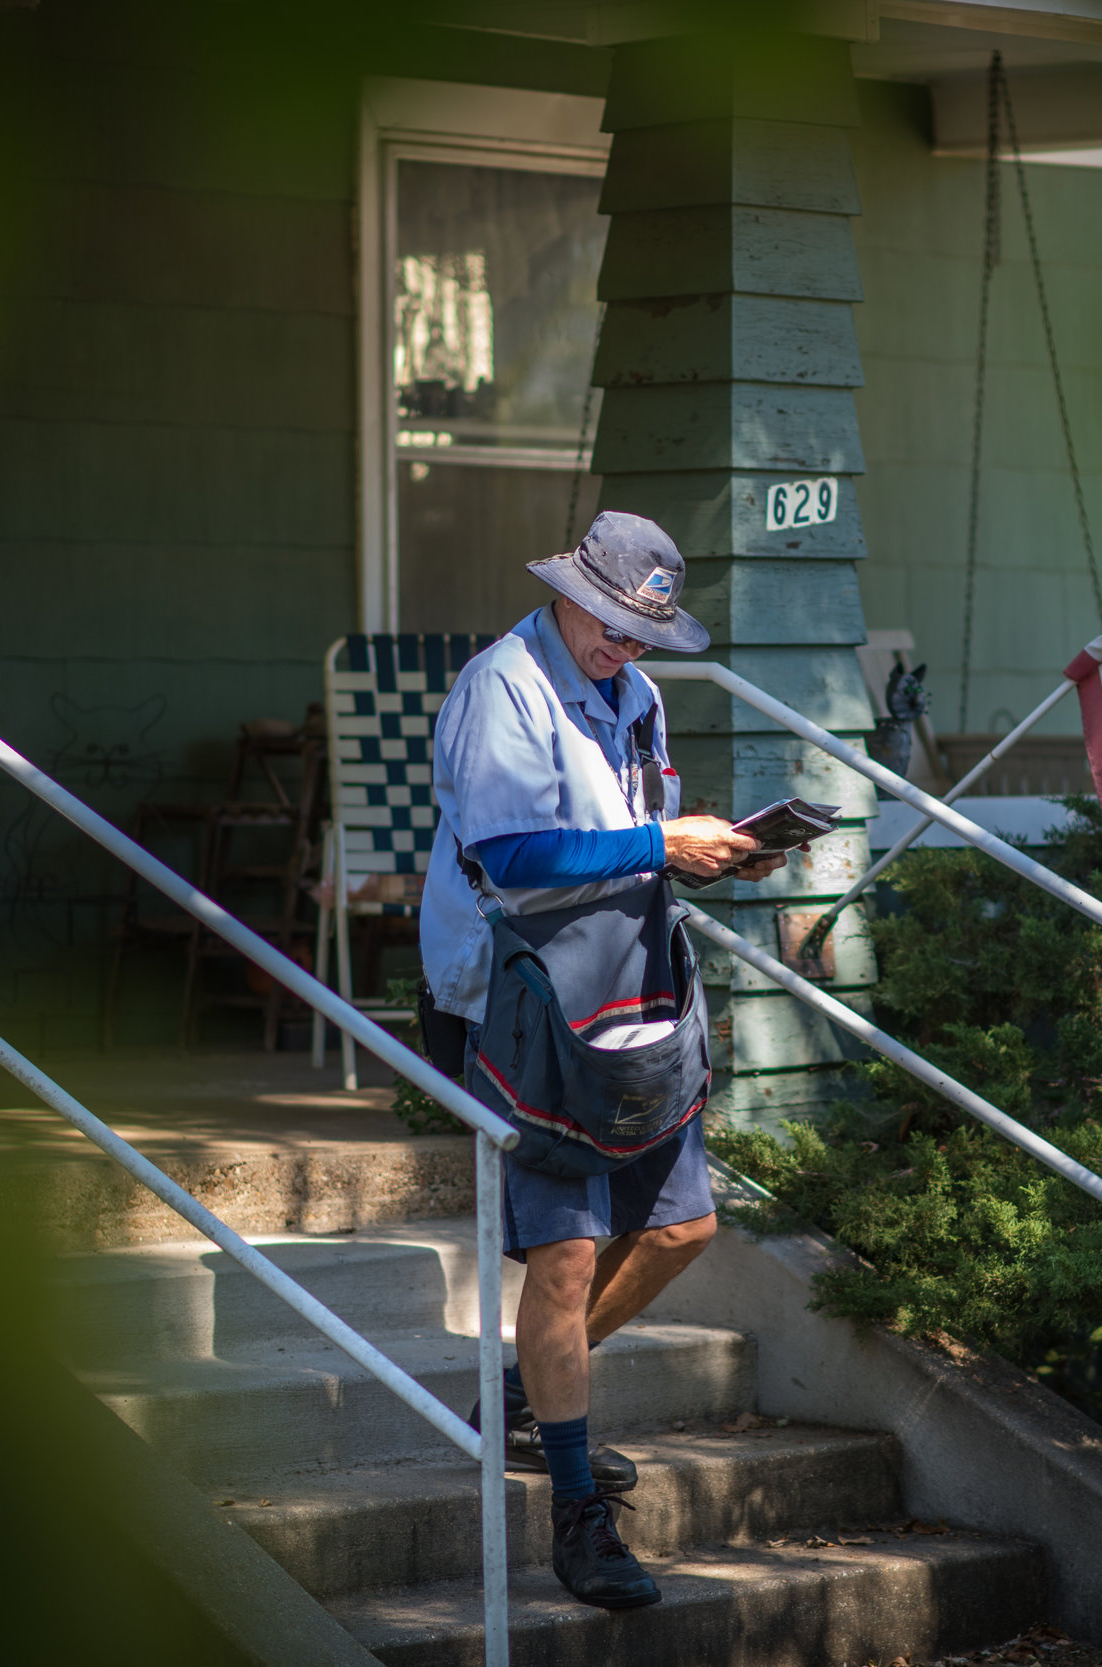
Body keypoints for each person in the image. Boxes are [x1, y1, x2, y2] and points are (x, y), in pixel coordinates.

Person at [417, 511, 785, 1611]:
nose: (627, 649)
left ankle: (524, 1395)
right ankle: (576, 1516)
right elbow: (514, 856)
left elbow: (635, 830)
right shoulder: (502, 686)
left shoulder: (636, 692)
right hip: (517, 1002)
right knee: (565, 1259)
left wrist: (713, 856)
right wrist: (662, 843)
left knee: (682, 1227)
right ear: (570, 591)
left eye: (644, 635)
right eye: (617, 625)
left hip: (626, 995)